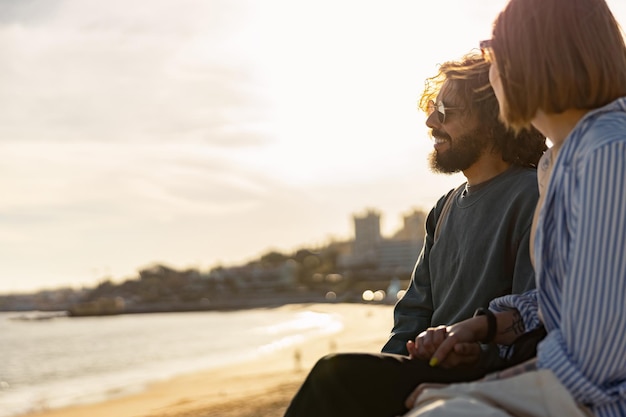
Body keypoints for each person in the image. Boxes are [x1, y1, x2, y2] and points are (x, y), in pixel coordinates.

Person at [282, 53, 547, 417]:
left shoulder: (535, 194)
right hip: (428, 367)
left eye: (445, 110)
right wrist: (389, 370)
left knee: (335, 375)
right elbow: (413, 313)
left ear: (492, 118)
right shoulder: (443, 209)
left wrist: (474, 351)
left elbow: (534, 318)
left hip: (489, 376)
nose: (430, 121)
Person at [403, 0, 626, 416]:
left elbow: (597, 364)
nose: (490, 66)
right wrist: (487, 324)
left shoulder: (607, 153)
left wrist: (484, 387)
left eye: (494, 48)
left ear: (535, 55)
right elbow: (564, 304)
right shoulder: (560, 161)